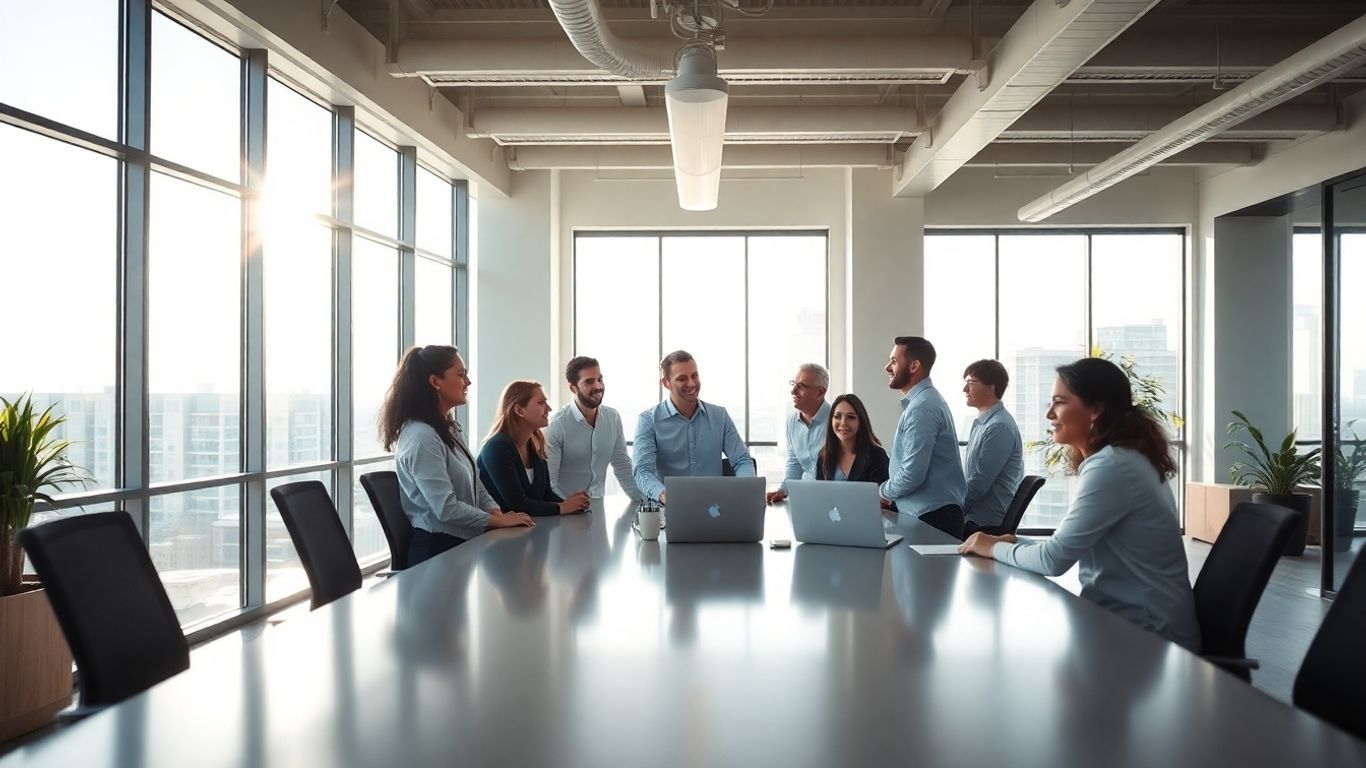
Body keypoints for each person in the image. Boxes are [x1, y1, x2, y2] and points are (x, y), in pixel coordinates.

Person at [959, 357, 1200, 650]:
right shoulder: (1122, 459)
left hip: (1148, 638)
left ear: (1096, 409)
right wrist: (1015, 541)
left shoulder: (1112, 467)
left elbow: (1054, 559)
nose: (1049, 413)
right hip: (1131, 624)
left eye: (1059, 402)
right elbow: (1066, 545)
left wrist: (992, 546)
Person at [381, 346, 533, 567]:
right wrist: (497, 521)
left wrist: (496, 512)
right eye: (461, 374)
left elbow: (476, 482)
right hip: (437, 552)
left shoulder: (447, 428)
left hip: (462, 543)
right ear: (436, 382)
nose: (468, 382)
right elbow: (446, 508)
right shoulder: (421, 437)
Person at [634, 350, 755, 505]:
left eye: (694, 376)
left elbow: (741, 460)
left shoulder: (720, 416)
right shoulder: (648, 421)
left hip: (715, 509)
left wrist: (746, 489)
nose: (691, 383)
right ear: (666, 383)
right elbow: (642, 471)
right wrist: (664, 494)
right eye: (682, 378)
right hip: (670, 511)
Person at [878, 336, 967, 539]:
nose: (887, 368)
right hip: (927, 513)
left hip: (933, 516)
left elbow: (911, 475)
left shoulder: (922, 408)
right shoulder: (923, 402)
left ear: (914, 366)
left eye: (893, 361)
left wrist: (880, 493)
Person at [478, 381, 592, 517]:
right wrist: (562, 507)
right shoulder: (497, 447)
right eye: (541, 402)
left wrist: (573, 503)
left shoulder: (535, 446)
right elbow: (517, 505)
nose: (549, 408)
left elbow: (546, 496)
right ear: (519, 410)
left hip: (526, 532)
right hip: (492, 536)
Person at [546, 356, 643, 501]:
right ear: (573, 388)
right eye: (589, 381)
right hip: (565, 510)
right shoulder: (557, 425)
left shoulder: (612, 417)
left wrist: (645, 503)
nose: (598, 386)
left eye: (600, 379)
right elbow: (549, 481)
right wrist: (566, 507)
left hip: (599, 507)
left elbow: (622, 464)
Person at [961, 359, 1024, 536]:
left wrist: (955, 510)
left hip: (985, 524)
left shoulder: (999, 427)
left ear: (991, 387)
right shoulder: (984, 423)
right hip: (974, 519)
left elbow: (980, 481)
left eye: (971, 383)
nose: (965, 389)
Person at [766, 363, 832, 504]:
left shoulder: (837, 420)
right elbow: (794, 461)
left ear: (820, 393)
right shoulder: (792, 420)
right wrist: (783, 490)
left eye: (801, 387)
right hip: (804, 498)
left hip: (832, 498)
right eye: (793, 384)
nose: (793, 391)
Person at [815, 394, 890, 484]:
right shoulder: (823, 456)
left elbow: (880, 496)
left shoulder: (877, 455)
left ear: (861, 421)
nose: (843, 423)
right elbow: (820, 494)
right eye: (837, 416)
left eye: (850, 417)